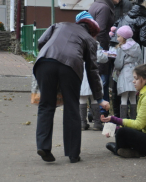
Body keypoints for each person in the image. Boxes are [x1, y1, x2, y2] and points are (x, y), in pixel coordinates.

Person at [33, 11, 110, 163]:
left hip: (44, 63)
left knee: (46, 105)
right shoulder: (90, 40)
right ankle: (73, 154)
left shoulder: (59, 25)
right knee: (71, 107)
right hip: (70, 67)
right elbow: (92, 70)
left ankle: (43, 146)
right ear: (93, 31)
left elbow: (42, 41)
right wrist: (99, 98)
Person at [101, 64, 146, 158]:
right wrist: (114, 129)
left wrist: (114, 120)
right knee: (122, 131)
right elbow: (141, 126)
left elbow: (139, 125)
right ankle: (132, 151)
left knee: (122, 133)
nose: (133, 81)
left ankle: (120, 150)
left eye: (136, 79)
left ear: (145, 80)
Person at [109, 0, 146, 118]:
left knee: (118, 90)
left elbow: (115, 28)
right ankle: (132, 120)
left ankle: (119, 120)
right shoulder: (145, 20)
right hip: (130, 60)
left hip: (116, 51)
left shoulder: (127, 15)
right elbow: (145, 40)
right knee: (133, 95)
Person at [89, 0, 115, 116]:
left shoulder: (95, 5)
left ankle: (93, 113)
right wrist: (105, 50)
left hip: (94, 50)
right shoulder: (104, 8)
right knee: (102, 82)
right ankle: (101, 114)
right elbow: (100, 30)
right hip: (101, 50)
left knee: (96, 81)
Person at [113, 25, 143, 119]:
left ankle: (123, 121)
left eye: (118, 36)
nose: (117, 38)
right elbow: (140, 60)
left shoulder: (121, 48)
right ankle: (134, 119)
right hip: (135, 73)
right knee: (133, 97)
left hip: (125, 73)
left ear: (123, 37)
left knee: (124, 97)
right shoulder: (137, 46)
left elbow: (118, 64)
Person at [80, 41, 109, 131]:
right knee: (95, 98)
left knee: (82, 99)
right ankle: (97, 123)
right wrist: (105, 55)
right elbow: (102, 58)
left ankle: (82, 123)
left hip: (81, 71)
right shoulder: (94, 43)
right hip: (92, 71)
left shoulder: (77, 41)